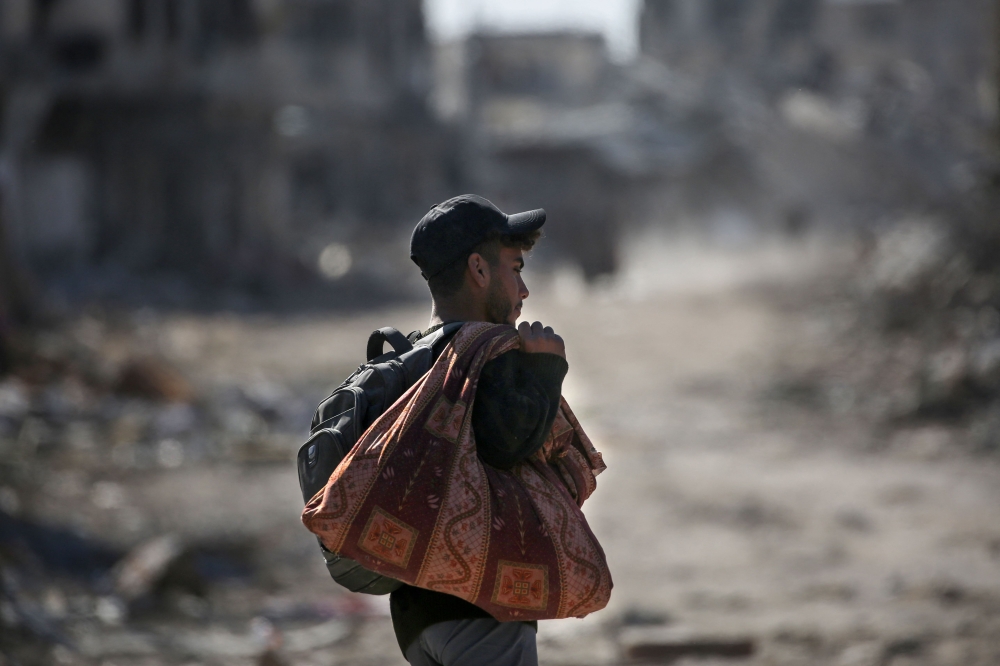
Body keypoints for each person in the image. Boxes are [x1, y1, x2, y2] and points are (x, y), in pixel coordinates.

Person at [392, 194, 569, 666]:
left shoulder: (412, 358)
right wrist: (545, 371)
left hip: (415, 618)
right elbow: (508, 443)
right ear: (479, 269)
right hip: (480, 608)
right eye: (516, 268)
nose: (524, 290)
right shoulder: (482, 353)